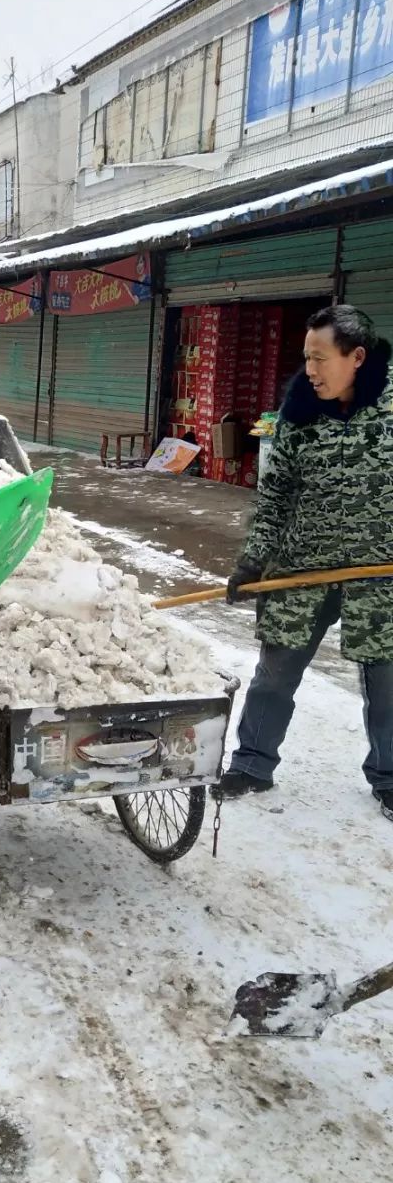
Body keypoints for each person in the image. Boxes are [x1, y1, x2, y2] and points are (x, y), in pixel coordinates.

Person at [220, 305, 393, 815]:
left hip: (380, 575)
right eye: (306, 358)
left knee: (387, 682)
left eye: (320, 358)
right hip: (302, 569)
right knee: (274, 674)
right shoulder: (298, 413)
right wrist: (252, 563)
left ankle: (388, 778)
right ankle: (251, 764)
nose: (310, 370)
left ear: (357, 357)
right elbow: (274, 499)